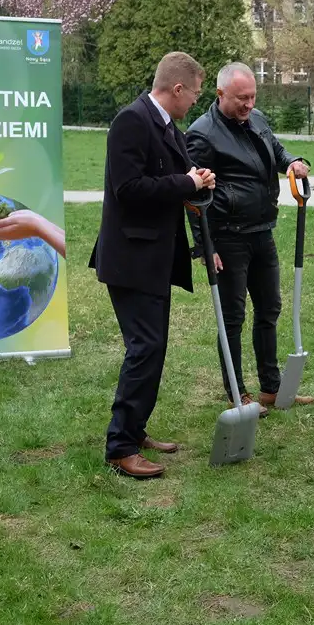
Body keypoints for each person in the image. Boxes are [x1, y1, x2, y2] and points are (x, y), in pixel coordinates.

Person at [89, 52, 216, 479]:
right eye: (195, 94)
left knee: (154, 347)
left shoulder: (166, 126)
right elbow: (129, 188)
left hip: (156, 259)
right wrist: (186, 183)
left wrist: (197, 177)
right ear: (177, 89)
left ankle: (136, 429)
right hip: (130, 259)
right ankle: (119, 446)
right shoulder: (132, 121)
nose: (195, 103)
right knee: (143, 348)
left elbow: (176, 175)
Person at [184, 62, 314, 418]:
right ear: (220, 94)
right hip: (227, 239)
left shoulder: (256, 120)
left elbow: (275, 149)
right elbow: (194, 198)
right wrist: (204, 247)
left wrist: (292, 163)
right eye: (242, 98)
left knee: (270, 308)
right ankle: (236, 393)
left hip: (261, 232)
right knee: (233, 317)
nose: (248, 104)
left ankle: (271, 388)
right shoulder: (202, 134)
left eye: (252, 97)